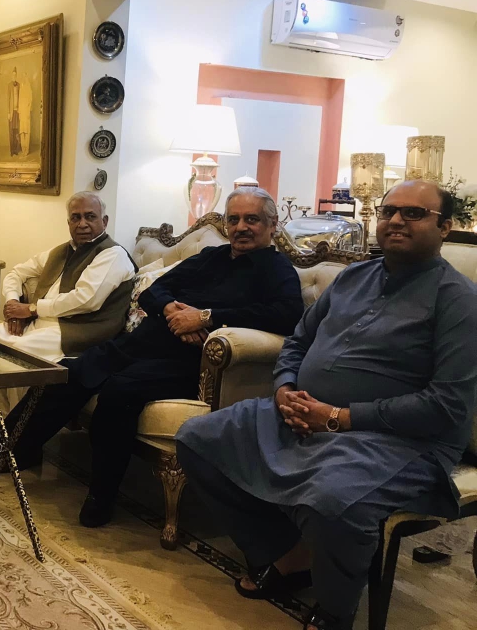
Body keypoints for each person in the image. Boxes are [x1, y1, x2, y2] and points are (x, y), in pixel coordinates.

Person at [175, 180, 477, 630]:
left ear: (445, 227)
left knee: (334, 502)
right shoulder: (353, 278)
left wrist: (338, 418)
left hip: (398, 440)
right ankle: (289, 556)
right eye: (389, 211)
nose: (396, 220)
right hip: (305, 414)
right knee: (197, 439)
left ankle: (336, 610)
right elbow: (297, 342)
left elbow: (446, 405)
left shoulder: (459, 300)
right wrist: (284, 389)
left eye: (414, 213)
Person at [0, 187, 303, 530]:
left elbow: (286, 315)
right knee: (67, 373)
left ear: (272, 225)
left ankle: (101, 495)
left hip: (188, 362)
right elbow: (154, 292)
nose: (241, 227)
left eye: (251, 220)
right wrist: (173, 312)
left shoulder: (276, 269)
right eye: (234, 219)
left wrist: (206, 318)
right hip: (142, 343)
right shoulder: (211, 257)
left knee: (118, 392)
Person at [0, 191, 136, 363]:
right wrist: (13, 305)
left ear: (105, 221)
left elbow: (86, 299)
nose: (82, 224)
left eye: (90, 217)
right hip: (37, 326)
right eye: (76, 218)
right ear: (68, 222)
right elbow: (17, 273)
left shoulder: (113, 254)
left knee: (17, 352)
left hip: (76, 333)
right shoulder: (59, 252)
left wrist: (31, 309)